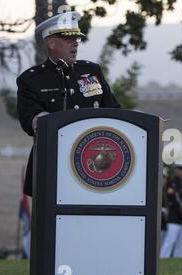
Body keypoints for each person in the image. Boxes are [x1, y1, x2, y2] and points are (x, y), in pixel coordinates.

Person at [17, 11, 120, 197]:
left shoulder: (91, 71)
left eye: (77, 38)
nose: (75, 43)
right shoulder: (31, 80)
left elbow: (114, 111)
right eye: (68, 38)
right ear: (50, 43)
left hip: (93, 166)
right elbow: (30, 120)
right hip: (53, 164)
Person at [160, 162, 182, 258]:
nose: (181, 171)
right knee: (170, 240)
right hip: (174, 216)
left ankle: (179, 259)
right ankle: (164, 257)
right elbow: (172, 199)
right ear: (175, 170)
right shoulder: (171, 183)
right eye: (179, 169)